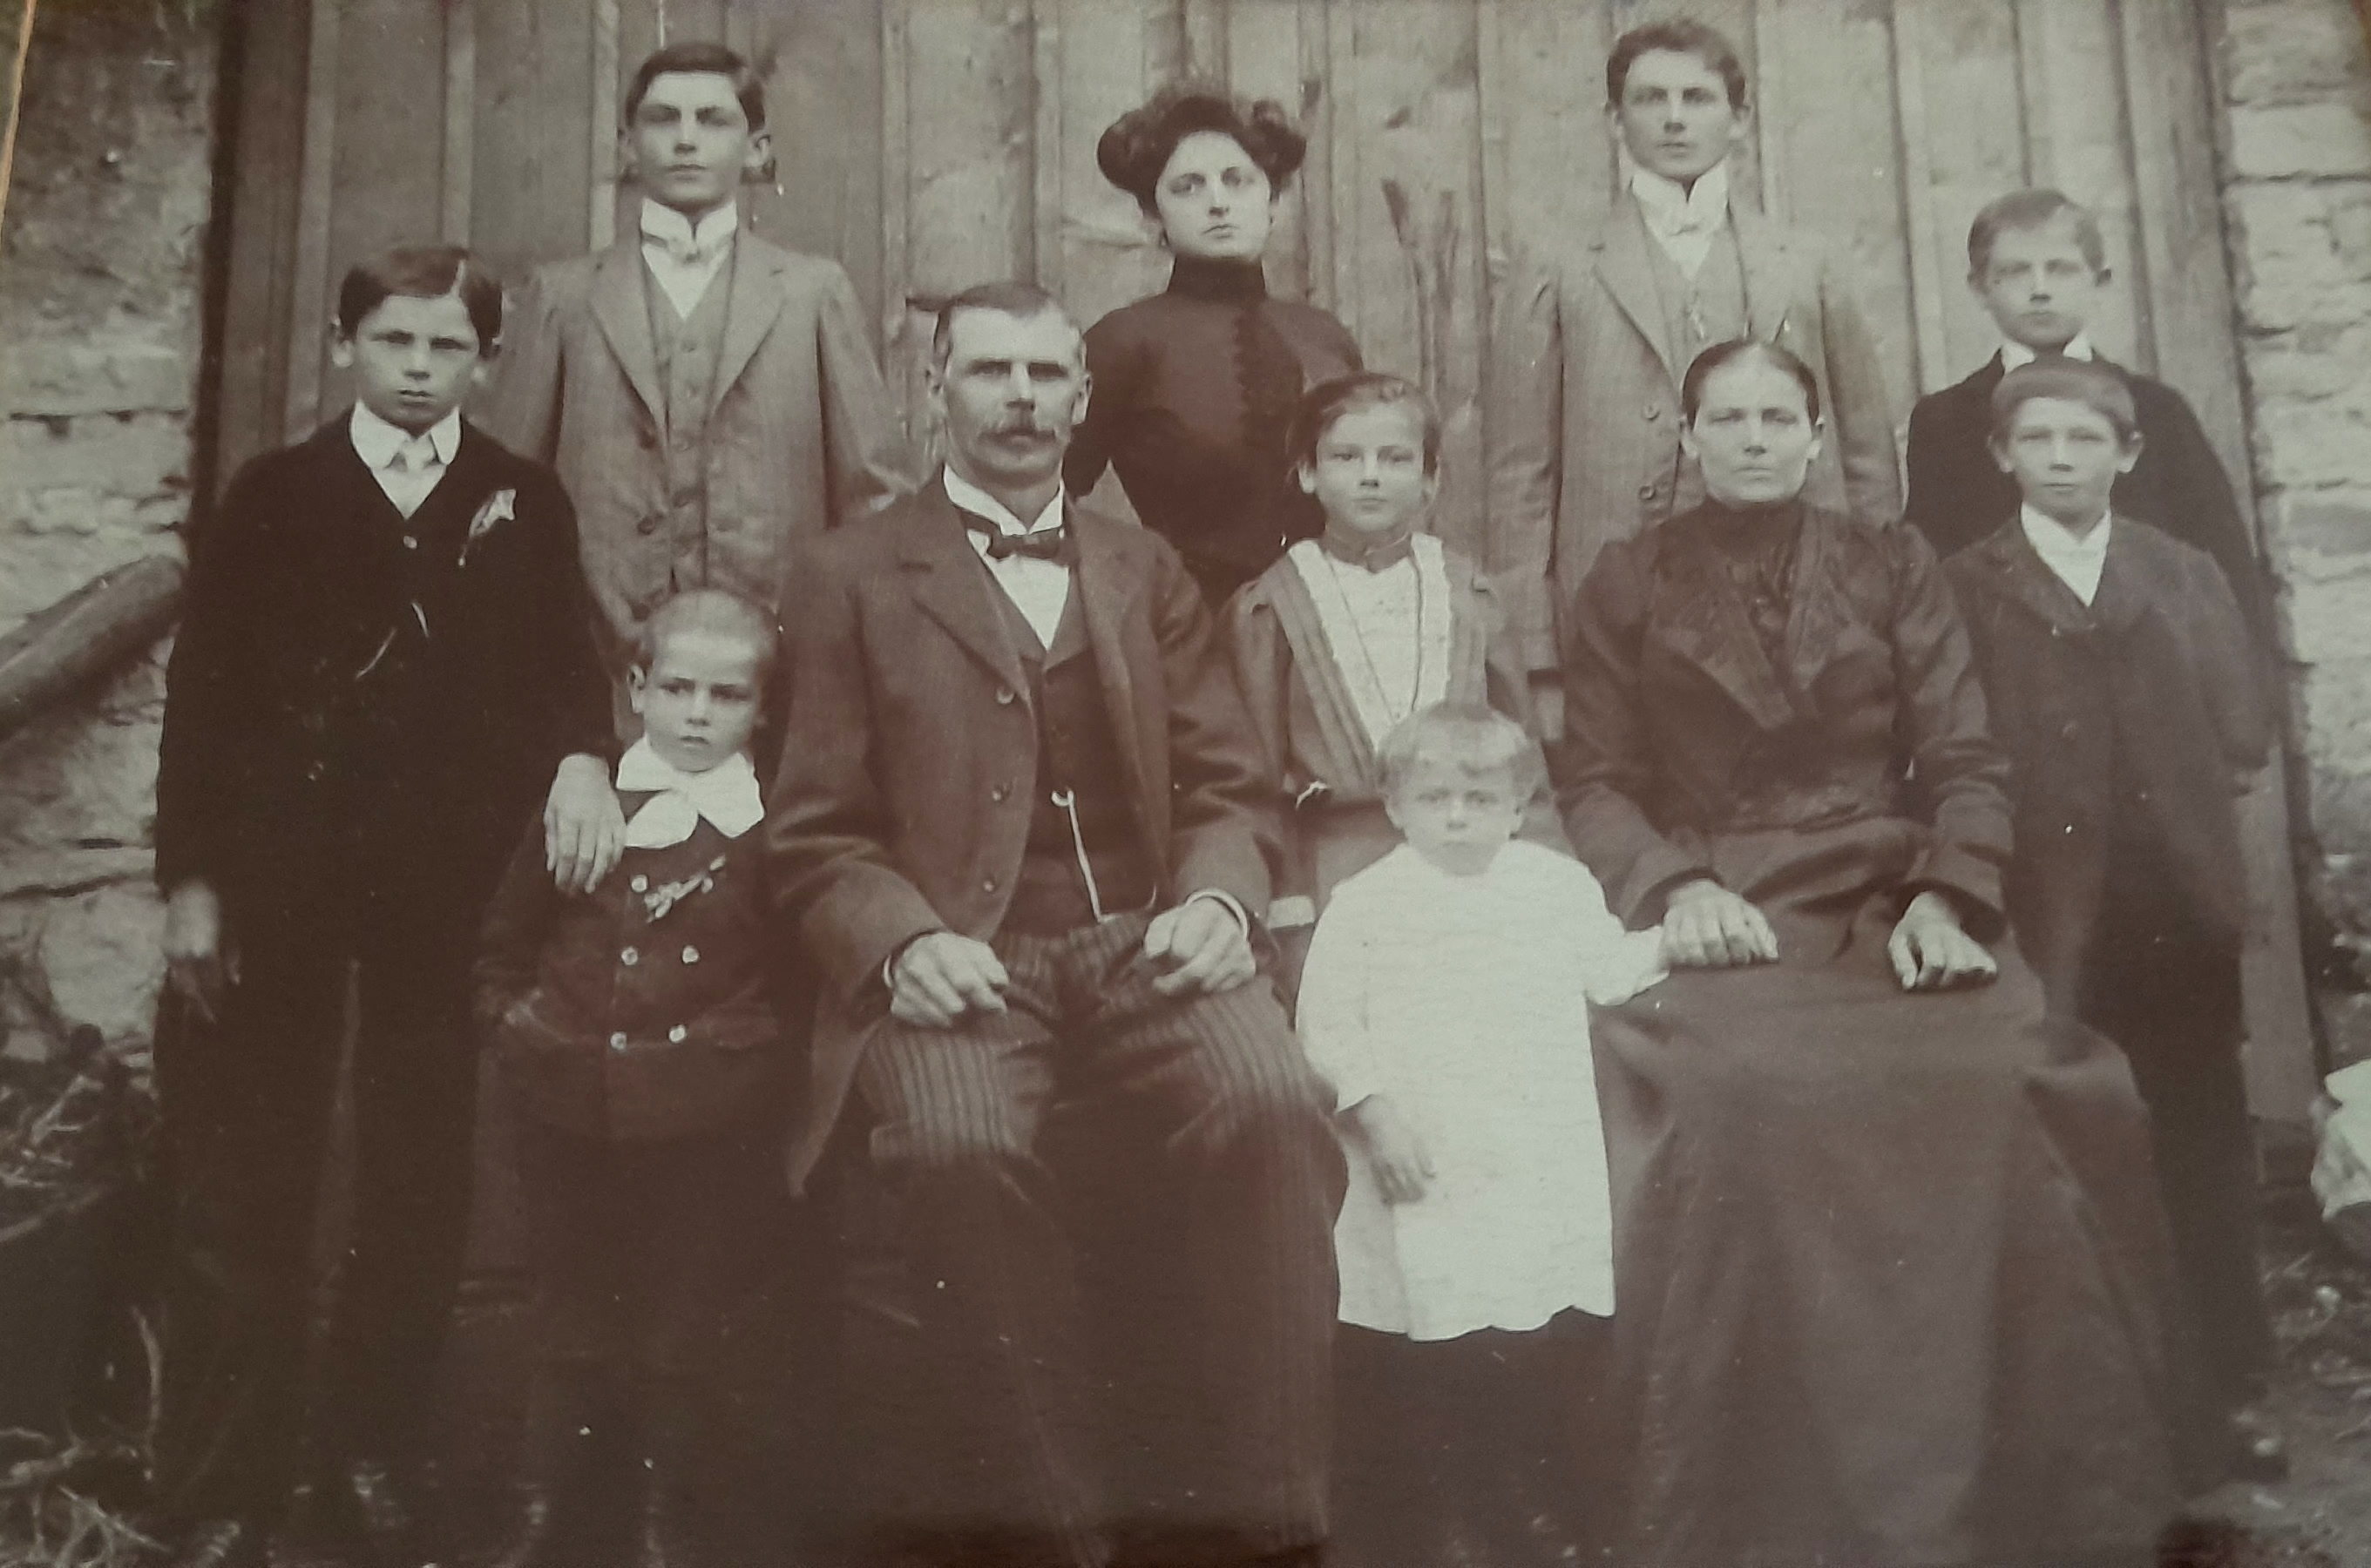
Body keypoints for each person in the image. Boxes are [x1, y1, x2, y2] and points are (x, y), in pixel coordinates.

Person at [1557, 337, 2196, 1566]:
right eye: (1727, 418)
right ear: (1688, 438)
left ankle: (2052, 1500)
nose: (1753, 439)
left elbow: (1965, 756)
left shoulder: (1889, 562)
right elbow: (1594, 779)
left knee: (2008, 1077)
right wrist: (1675, 887)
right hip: (1725, 905)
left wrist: (1950, 898)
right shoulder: (1630, 578)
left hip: (1889, 896)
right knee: (1745, 1100)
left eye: (1776, 418)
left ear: (1814, 437)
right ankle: (1766, 1508)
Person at [766, 281, 1345, 1568]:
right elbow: (811, 831)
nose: (1020, 400)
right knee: (956, 1149)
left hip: (1143, 935)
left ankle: (1277, 1519)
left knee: (1274, 1106)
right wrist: (901, 943)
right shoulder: (848, 572)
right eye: (990, 372)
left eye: (1045, 376)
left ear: (1084, 401)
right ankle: (1062, 1526)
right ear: (934, 390)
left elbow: (1230, 784)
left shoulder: (1143, 567)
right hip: (958, 954)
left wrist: (1216, 897)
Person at [150, 246, 615, 1568]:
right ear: (344, 343)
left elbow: (567, 674)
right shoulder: (277, 493)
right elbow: (206, 695)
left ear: (488, 360)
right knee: (249, 1173)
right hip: (279, 881)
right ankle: (224, 1483)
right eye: (395, 342)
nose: (419, 371)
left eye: (447, 347)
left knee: (417, 1172)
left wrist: (585, 759)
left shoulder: (521, 500)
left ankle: (372, 1455)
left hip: (444, 890)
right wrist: (194, 883)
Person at [1944, 360, 2285, 1483]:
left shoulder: (2181, 574)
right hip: (2051, 908)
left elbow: (2239, 734)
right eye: (2038, 440)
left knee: (2200, 1140)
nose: (2061, 460)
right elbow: (1952, 740)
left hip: (2175, 912)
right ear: (2002, 456)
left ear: (2128, 455)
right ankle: (2102, 1406)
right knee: (2068, 1134)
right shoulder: (1967, 584)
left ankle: (2231, 1390)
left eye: (2085, 440)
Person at [475, 588, 799, 1568]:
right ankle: (545, 1511)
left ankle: (669, 1524)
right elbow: (504, 944)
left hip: (706, 1116)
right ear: (635, 688)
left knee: (684, 1321)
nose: (697, 715)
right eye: (676, 689)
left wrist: (745, 1065)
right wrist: (518, 1029)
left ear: (764, 709)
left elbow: (794, 981)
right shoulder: (585, 808)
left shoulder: (771, 826)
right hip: (566, 1103)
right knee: (569, 1310)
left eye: (728, 696)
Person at [1298, 704, 1666, 1568]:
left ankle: (1526, 1502)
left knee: (1531, 1334)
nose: (1457, 819)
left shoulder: (1554, 887)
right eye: (1435, 799)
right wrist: (1375, 1112)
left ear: (1518, 806)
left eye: (1480, 799)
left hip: (1528, 1156)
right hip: (1425, 1159)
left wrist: (1678, 940)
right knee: (1441, 1334)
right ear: (1396, 807)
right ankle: (1446, 1512)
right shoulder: (1367, 902)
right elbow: (1326, 1024)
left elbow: (1611, 969)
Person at [486, 41, 908, 729]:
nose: (685, 140)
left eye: (712, 120)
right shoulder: (561, 295)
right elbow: (506, 494)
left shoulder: (811, 291)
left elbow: (874, 497)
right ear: (627, 146)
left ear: (756, 148)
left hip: (779, 679)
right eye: (662, 119)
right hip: (598, 676)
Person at [1484, 17, 1900, 686]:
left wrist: (1880, 611)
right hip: (1617, 611)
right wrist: (1534, 655)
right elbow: (1518, 473)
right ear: (1615, 121)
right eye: (1650, 99)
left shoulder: (1806, 263)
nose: (1674, 119)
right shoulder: (1558, 265)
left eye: (1697, 99)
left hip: (1795, 602)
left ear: (1738, 121)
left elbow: (1865, 453)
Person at [1228, 373, 1548, 950]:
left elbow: (1522, 757)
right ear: (1308, 473)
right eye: (1346, 457)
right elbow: (1255, 778)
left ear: (1430, 480)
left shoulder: (1468, 595)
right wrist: (1287, 893)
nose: (1370, 475)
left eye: (1395, 458)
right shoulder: (1272, 605)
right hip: (1332, 868)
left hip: (1470, 857)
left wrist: (1547, 868)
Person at [1905, 188, 2276, 657]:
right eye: (2015, 272)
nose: (2040, 290)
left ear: (2099, 281)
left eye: (2061, 269)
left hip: (2149, 667)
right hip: (2007, 672)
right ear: (1979, 288)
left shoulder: (2157, 410)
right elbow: (1929, 575)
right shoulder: (1946, 420)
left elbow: (2224, 565)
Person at [1066, 83, 1363, 605]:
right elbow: (1046, 495)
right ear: (1153, 216)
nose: (1218, 203)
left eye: (1237, 181)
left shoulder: (1325, 338)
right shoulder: (1125, 342)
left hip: (1332, 620)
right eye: (1188, 187)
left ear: (1272, 201)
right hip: (1190, 630)